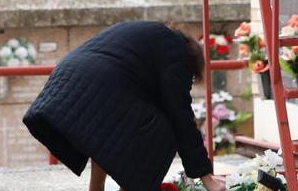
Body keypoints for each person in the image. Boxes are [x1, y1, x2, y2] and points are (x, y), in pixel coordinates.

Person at [23, 21, 224, 191]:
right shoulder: (177, 54)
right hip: (100, 83)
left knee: (109, 134)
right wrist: (207, 177)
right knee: (162, 132)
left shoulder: (153, 37)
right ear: (191, 64)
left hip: (68, 78)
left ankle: (96, 189)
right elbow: (180, 115)